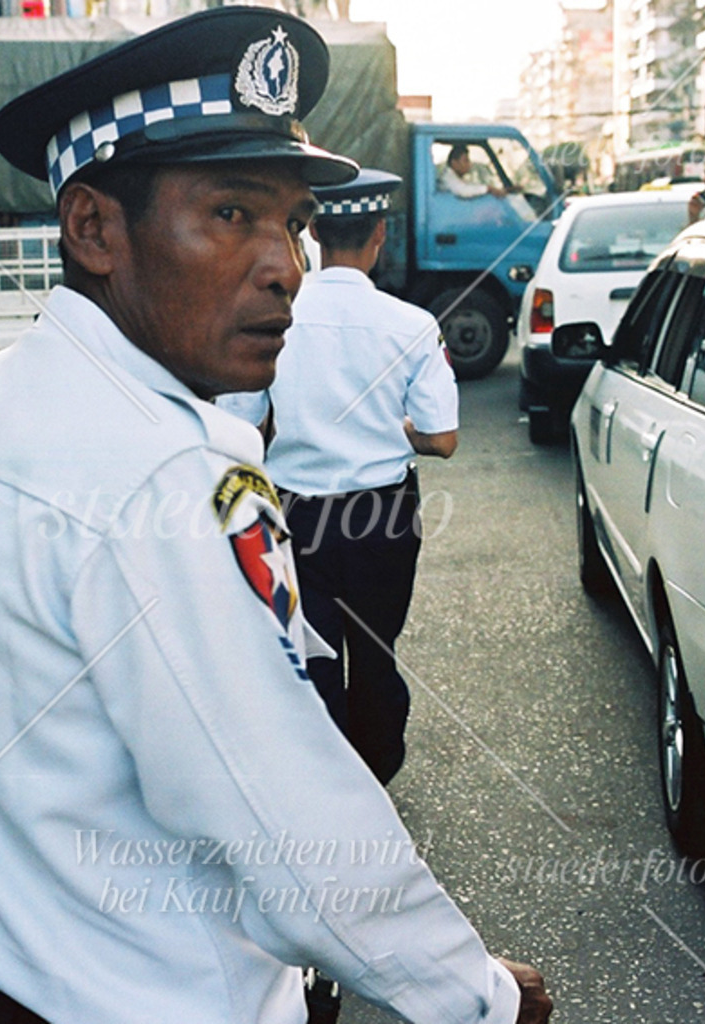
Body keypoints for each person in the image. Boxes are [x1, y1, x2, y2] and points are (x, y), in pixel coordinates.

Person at [0, 9, 552, 1024]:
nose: (285, 262)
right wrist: (482, 999)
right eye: (232, 214)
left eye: (294, 221)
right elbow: (290, 818)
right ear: (94, 228)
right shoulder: (175, 473)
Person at [221, 169, 458, 788]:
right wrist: (394, 430)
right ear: (380, 234)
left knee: (313, 656)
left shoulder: (277, 316)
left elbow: (239, 427)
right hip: (383, 514)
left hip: (297, 513)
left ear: (316, 234)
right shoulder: (411, 324)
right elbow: (442, 440)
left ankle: (327, 786)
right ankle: (377, 778)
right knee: (376, 655)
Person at [440, 143, 509, 199]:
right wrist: (488, 189)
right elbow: (464, 191)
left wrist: (501, 190)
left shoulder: (456, 177)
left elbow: (471, 187)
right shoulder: (448, 178)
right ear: (454, 163)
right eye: (466, 160)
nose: (469, 164)